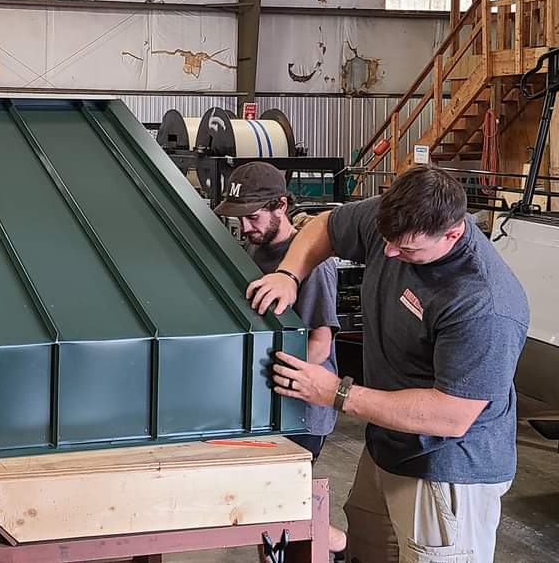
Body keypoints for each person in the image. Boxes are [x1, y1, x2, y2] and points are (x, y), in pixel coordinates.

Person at [246, 165, 529, 563]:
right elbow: (327, 226)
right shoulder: (402, 217)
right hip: (388, 445)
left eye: (406, 249)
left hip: (445, 468)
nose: (390, 253)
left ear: (453, 233)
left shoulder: (484, 304)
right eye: (386, 240)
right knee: (368, 546)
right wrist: (289, 275)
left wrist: (335, 392)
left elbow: (451, 415)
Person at [213, 162, 347, 559]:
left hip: (301, 409)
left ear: (281, 206)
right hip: (267, 402)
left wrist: (265, 375)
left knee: (285, 506)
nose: (247, 228)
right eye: (241, 219)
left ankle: (336, 546)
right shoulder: (256, 249)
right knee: (269, 505)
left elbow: (320, 345)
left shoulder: (312, 263)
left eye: (253, 217)